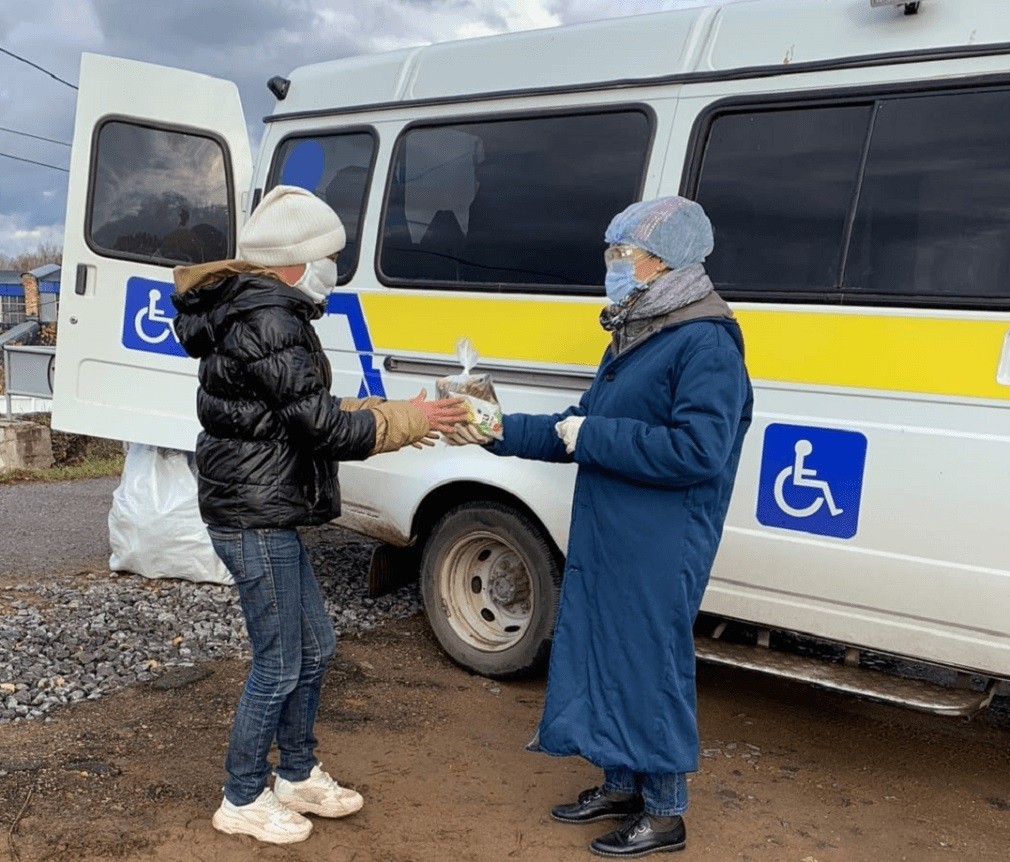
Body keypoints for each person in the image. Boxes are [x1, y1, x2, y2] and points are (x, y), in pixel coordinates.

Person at [448, 196, 753, 857]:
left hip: (660, 541)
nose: (613, 265)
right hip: (616, 532)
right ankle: (621, 783)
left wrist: (596, 433)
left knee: (651, 665)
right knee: (609, 656)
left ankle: (665, 811)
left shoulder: (705, 341)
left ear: (661, 261)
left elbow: (698, 450)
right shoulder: (643, 334)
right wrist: (492, 428)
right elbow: (572, 429)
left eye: (623, 254)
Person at [171, 184, 468, 845]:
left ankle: (297, 774)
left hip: (258, 507)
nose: (336, 267)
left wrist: (393, 412)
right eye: (331, 254)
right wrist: (410, 420)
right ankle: (242, 794)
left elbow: (300, 415)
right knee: (279, 662)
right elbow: (324, 430)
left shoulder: (260, 313)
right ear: (297, 262)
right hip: (253, 516)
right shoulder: (270, 321)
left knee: (317, 647)